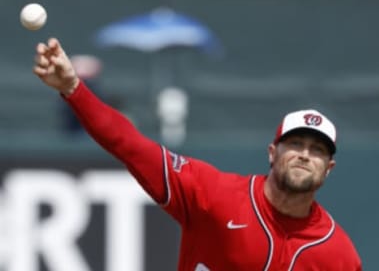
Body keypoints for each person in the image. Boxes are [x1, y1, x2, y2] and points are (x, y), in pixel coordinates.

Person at [32, 38, 362, 271]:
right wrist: (74, 89)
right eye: (295, 144)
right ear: (272, 153)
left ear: (329, 167)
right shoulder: (214, 195)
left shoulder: (338, 254)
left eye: (317, 150)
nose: (305, 154)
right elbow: (129, 144)